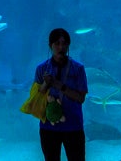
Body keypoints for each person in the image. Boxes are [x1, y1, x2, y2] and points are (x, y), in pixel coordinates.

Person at [34, 28, 88, 161]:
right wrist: (46, 84)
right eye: (57, 43)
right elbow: (36, 97)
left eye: (64, 44)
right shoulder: (41, 68)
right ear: (50, 46)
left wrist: (60, 86)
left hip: (73, 126)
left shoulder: (78, 68)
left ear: (68, 45)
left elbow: (81, 98)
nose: (61, 47)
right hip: (48, 127)